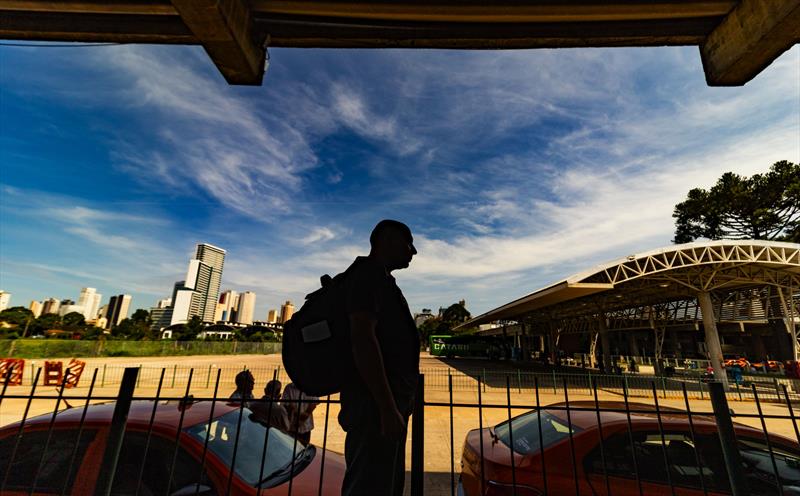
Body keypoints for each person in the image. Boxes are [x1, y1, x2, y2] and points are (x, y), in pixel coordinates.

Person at [338, 220, 419, 496]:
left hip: (386, 407)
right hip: (374, 410)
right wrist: (386, 408)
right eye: (409, 243)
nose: (414, 252)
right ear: (389, 241)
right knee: (370, 486)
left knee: (386, 484)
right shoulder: (367, 276)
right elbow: (363, 340)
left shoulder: (382, 280)